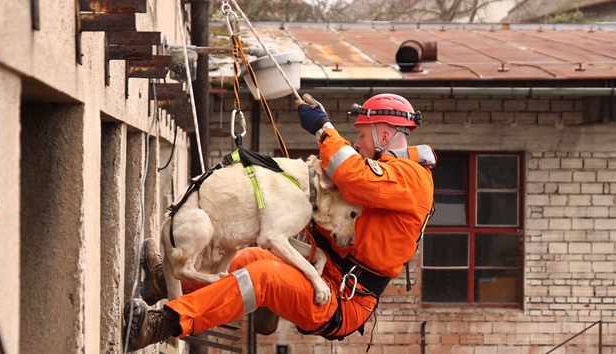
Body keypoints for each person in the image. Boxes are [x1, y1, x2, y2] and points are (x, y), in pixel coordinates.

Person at [123, 93, 436, 351]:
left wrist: (324, 129)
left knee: (262, 276)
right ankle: (161, 282)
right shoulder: (393, 173)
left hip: (343, 299)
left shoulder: (411, 178)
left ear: (384, 135)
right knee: (249, 257)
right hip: (326, 271)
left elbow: (352, 174)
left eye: (362, 134)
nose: (356, 142)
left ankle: (160, 325)